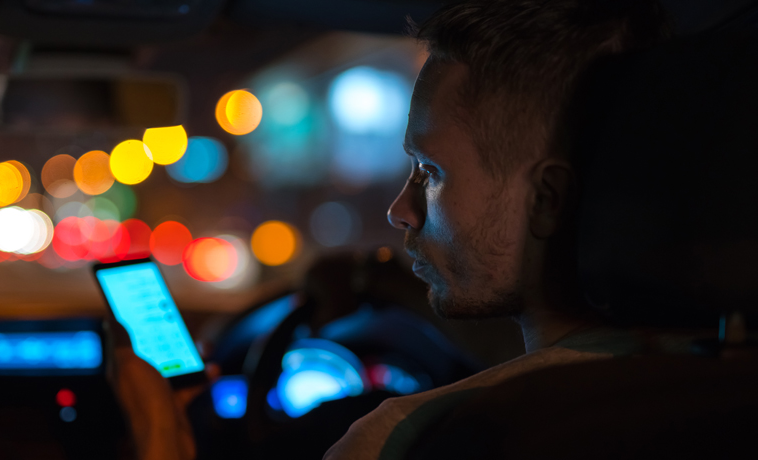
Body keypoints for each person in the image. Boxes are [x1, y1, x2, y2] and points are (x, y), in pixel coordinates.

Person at [111, 1, 672, 459]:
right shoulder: (715, 376)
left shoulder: (410, 439)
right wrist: (382, 284)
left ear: (549, 200)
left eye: (429, 173)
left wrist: (162, 437)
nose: (399, 209)